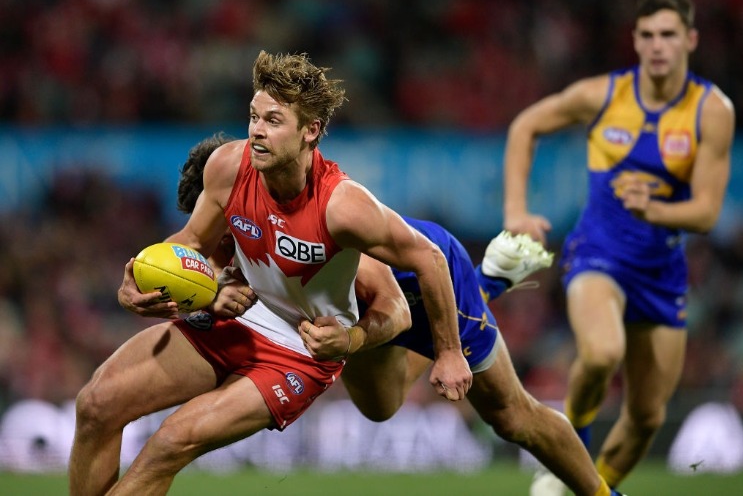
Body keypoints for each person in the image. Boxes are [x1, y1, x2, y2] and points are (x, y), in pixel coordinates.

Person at [68, 50, 473, 496]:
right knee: (96, 404)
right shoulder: (227, 166)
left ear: (310, 131)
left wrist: (432, 350)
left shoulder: (344, 208)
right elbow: (191, 243)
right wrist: (145, 277)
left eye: (274, 121)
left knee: (170, 441)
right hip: (241, 319)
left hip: (298, 353)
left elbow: (426, 267)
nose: (257, 131)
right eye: (254, 116)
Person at [174, 134, 624, 496]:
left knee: (511, 417)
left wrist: (443, 351)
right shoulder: (232, 234)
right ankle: (492, 277)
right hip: (364, 309)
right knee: (380, 408)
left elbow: (393, 300)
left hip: (422, 281)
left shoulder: (313, 217)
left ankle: (602, 493)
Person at [501, 0, 735, 493]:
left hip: (662, 270)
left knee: (647, 415)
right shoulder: (603, 95)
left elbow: (708, 213)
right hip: (598, 255)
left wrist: (654, 209)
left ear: (690, 40)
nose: (657, 46)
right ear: (634, 41)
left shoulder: (711, 110)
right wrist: (515, 212)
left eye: (669, 35)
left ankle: (589, 488)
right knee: (603, 353)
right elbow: (526, 126)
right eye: (647, 35)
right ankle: (573, 441)